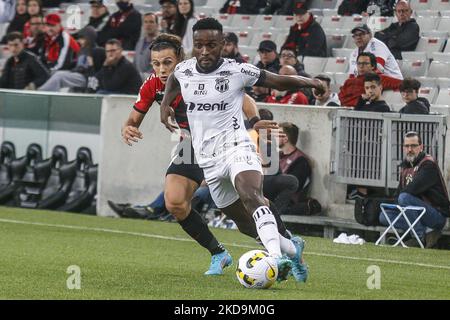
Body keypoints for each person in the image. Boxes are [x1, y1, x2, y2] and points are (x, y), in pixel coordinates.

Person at [160, 18, 328, 282]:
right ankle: (293, 249)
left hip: (238, 147)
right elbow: (172, 81)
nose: (205, 51)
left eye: (212, 45)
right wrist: (165, 105)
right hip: (209, 160)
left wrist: (312, 83)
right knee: (245, 225)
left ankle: (274, 258)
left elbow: (278, 82)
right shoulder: (184, 70)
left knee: (251, 194)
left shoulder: (237, 70)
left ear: (223, 45)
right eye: (200, 45)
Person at [121, 33, 289, 275]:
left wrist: (254, 122)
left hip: (225, 142)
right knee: (175, 203)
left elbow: (245, 99)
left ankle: (283, 241)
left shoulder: (201, 73)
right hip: (191, 147)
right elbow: (133, 119)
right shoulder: (152, 85)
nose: (161, 69)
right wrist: (129, 127)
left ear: (180, 57)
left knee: (248, 200)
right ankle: (218, 253)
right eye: (156, 63)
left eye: (167, 62)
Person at [379, 131, 449, 248]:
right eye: (407, 146)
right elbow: (398, 194)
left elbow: (411, 189)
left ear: (421, 147)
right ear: (403, 148)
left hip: (436, 214)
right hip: (417, 214)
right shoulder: (406, 166)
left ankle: (418, 238)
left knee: (404, 197)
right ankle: (428, 232)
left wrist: (399, 200)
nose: (410, 149)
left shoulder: (428, 164)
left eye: (413, 146)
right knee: (384, 215)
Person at [39, 26, 105, 92]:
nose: (79, 41)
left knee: (59, 76)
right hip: (79, 75)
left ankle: (40, 94)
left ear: (89, 38)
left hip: (87, 78)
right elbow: (76, 65)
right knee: (55, 73)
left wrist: (89, 67)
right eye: (79, 38)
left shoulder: (98, 51)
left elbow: (99, 72)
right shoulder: (82, 51)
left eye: (82, 38)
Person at [134, 12, 159, 77]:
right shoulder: (139, 43)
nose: (148, 25)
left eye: (151, 22)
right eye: (146, 22)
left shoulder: (160, 44)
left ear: (157, 25)